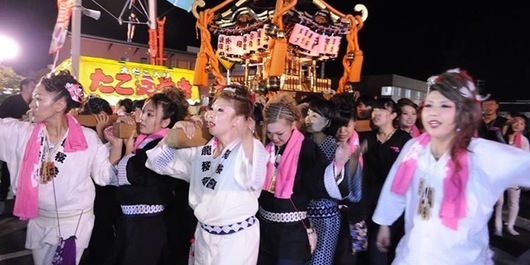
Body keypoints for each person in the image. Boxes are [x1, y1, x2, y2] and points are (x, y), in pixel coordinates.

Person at [372, 68, 530, 265]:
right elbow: (395, 186)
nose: (434, 112)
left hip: (462, 258)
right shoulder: (414, 148)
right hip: (413, 253)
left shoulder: (483, 154)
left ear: (463, 112)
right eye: (429, 105)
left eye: (445, 105)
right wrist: (385, 223)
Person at [0, 70, 120, 265]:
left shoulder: (87, 138)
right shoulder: (22, 133)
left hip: (73, 223)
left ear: (59, 105)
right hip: (39, 219)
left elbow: (104, 176)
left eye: (38, 99)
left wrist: (116, 145)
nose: (31, 105)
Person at [145, 84, 268, 264]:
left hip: (235, 241)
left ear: (238, 120)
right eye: (211, 109)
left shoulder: (249, 148)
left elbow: (255, 175)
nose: (210, 114)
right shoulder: (202, 151)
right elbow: (158, 163)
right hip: (203, 236)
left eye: (220, 110)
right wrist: (174, 134)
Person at [257, 93, 359, 265]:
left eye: (280, 133)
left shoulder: (306, 147)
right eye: (270, 133)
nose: (275, 138)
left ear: (293, 125)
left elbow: (318, 184)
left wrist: (338, 166)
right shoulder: (266, 148)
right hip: (265, 228)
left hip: (292, 231)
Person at [105, 87, 191, 265]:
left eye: (150, 114)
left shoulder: (162, 146)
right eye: (143, 111)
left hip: (146, 226)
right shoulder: (145, 142)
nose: (142, 117)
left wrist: (128, 150)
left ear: (166, 122)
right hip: (133, 222)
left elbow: (129, 174)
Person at [359, 97, 411, 265]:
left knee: (380, 249)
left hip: (391, 204)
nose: (376, 113)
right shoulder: (366, 138)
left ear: (394, 115)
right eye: (374, 110)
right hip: (366, 202)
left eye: (382, 110)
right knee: (362, 250)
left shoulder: (405, 140)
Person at [0, 77, 37, 213]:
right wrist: (19, 121)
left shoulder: (35, 103)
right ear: (24, 87)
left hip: (27, 141)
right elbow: (2, 118)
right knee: (8, 165)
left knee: (24, 167)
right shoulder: (11, 101)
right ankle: (4, 195)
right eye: (32, 86)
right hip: (10, 139)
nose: (34, 89)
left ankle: (20, 197)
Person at [493, 112, 530, 236]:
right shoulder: (502, 136)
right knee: (499, 202)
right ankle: (497, 227)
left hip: (514, 176)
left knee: (513, 203)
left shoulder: (524, 141)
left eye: (521, 123)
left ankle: (510, 226)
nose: (517, 125)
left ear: (524, 127)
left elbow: (525, 160)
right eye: (515, 122)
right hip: (499, 174)